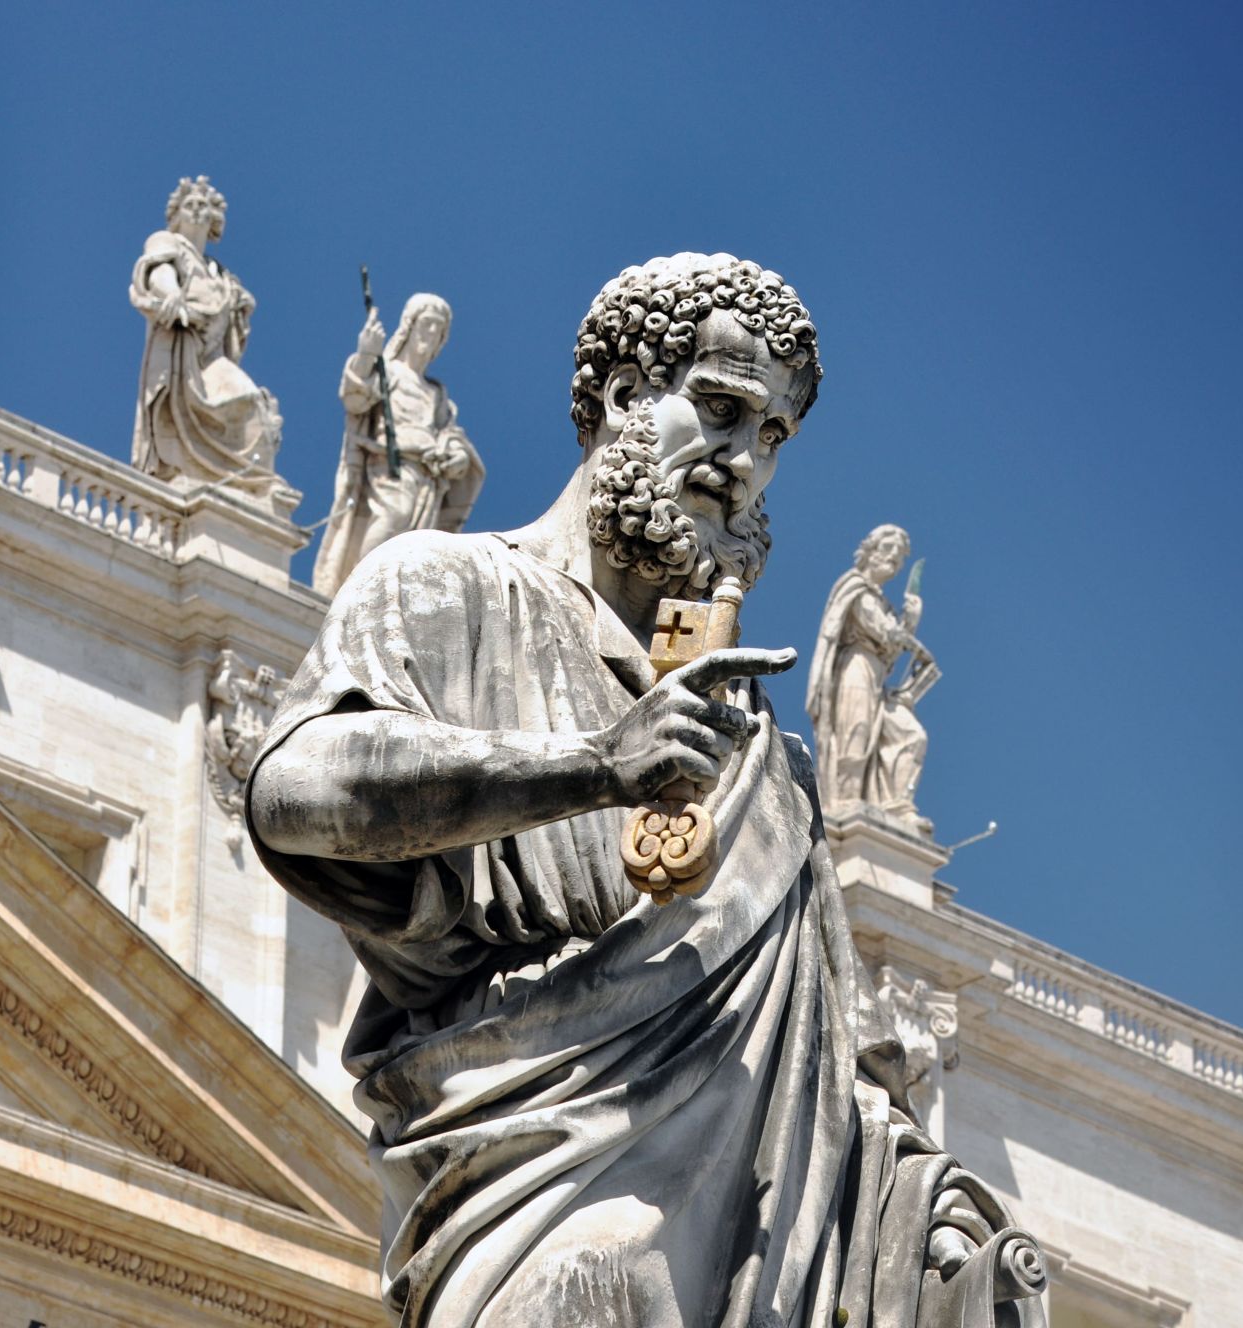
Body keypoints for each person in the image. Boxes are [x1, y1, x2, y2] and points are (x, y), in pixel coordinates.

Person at [247, 253, 1044, 1327]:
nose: (743, 462)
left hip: (756, 1266)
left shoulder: (765, 754)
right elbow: (295, 791)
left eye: (773, 437)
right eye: (721, 409)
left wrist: (925, 1217)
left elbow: (823, 1072)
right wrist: (594, 766)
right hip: (533, 1203)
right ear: (625, 394)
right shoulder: (446, 585)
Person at [312, 294, 485, 598]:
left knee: (415, 547)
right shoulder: (388, 372)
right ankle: (361, 590)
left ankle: (391, 597)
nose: (432, 333)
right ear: (410, 326)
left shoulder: (436, 393)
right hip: (390, 469)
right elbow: (355, 399)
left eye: (439, 330)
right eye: (427, 324)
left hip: (428, 479)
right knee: (393, 517)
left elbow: (450, 434)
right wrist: (367, 353)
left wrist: (457, 455)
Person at [128, 176, 285, 499]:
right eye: (190, 205)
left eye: (203, 205)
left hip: (212, 356)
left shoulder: (220, 273)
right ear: (177, 215)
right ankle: (190, 473)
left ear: (214, 218)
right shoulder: (166, 241)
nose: (197, 210)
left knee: (252, 405)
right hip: (182, 348)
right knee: (234, 405)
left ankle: (252, 485)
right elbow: (158, 271)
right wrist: (172, 294)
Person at [806, 524, 934, 833]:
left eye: (899, 556)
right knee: (856, 730)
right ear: (870, 550)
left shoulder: (883, 604)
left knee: (911, 735)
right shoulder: (854, 587)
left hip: (877, 678)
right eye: (888, 550)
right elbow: (881, 630)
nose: (894, 559)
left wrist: (909, 624)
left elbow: (891, 651)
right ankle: (845, 802)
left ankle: (896, 806)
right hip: (855, 668)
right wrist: (908, 631)